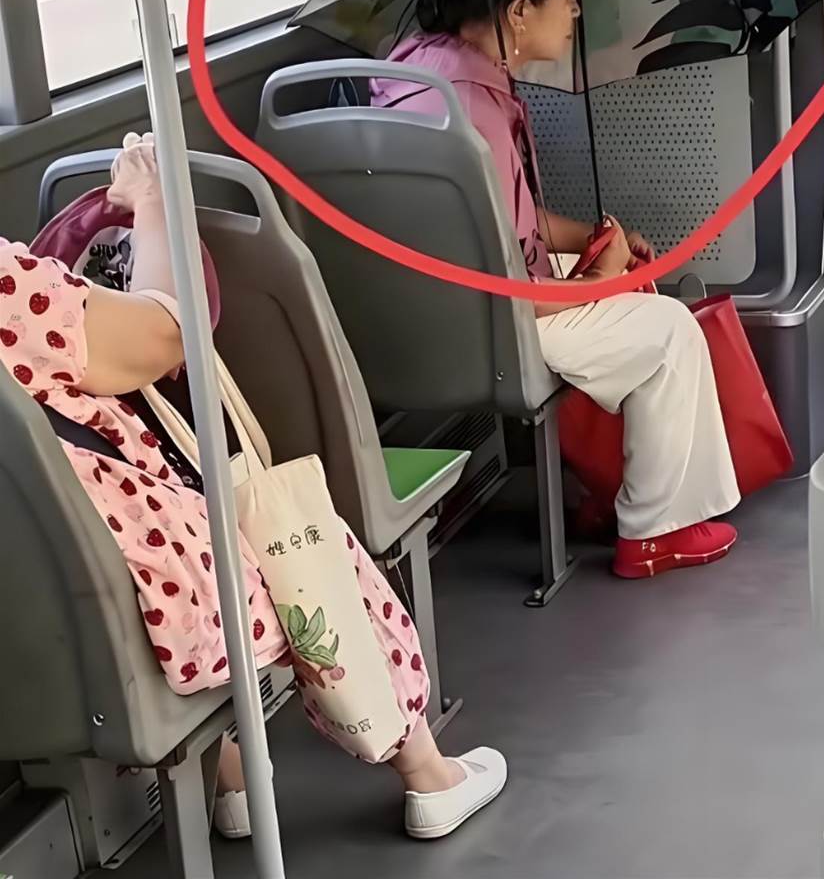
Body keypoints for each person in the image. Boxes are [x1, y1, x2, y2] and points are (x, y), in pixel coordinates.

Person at [0, 136, 505, 842]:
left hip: (35, 612)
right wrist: (152, 201)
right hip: (147, 593)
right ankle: (426, 771)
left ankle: (232, 778)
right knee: (296, 540)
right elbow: (166, 331)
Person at [370, 0, 741, 579]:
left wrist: (594, 237)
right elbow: (516, 291)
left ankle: (616, 490)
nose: (575, 12)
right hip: (491, 324)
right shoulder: (476, 113)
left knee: (624, 291)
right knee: (670, 331)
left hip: (424, 310)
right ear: (519, 10)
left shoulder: (424, 72)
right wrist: (601, 276)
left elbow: (505, 222)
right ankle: (652, 531)